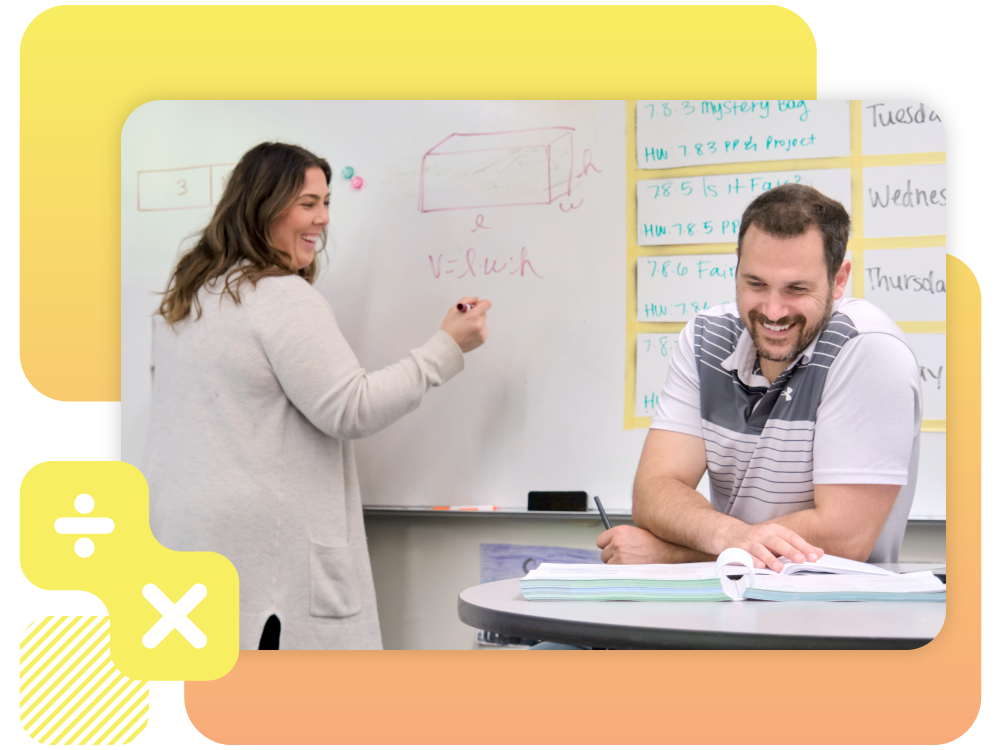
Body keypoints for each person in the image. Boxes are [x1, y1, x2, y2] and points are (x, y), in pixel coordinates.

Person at [143, 142, 491, 649]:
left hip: (187, 556)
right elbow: (351, 408)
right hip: (266, 576)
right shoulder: (280, 297)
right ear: (263, 205)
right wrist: (446, 347)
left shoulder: (187, 297)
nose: (323, 218)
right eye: (308, 203)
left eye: (326, 202)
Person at [599, 183, 921, 570]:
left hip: (837, 613)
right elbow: (655, 491)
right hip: (728, 601)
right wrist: (732, 539)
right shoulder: (705, 338)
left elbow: (844, 537)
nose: (772, 310)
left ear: (838, 279)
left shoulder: (869, 349)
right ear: (736, 267)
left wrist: (676, 553)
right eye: (756, 284)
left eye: (796, 288)